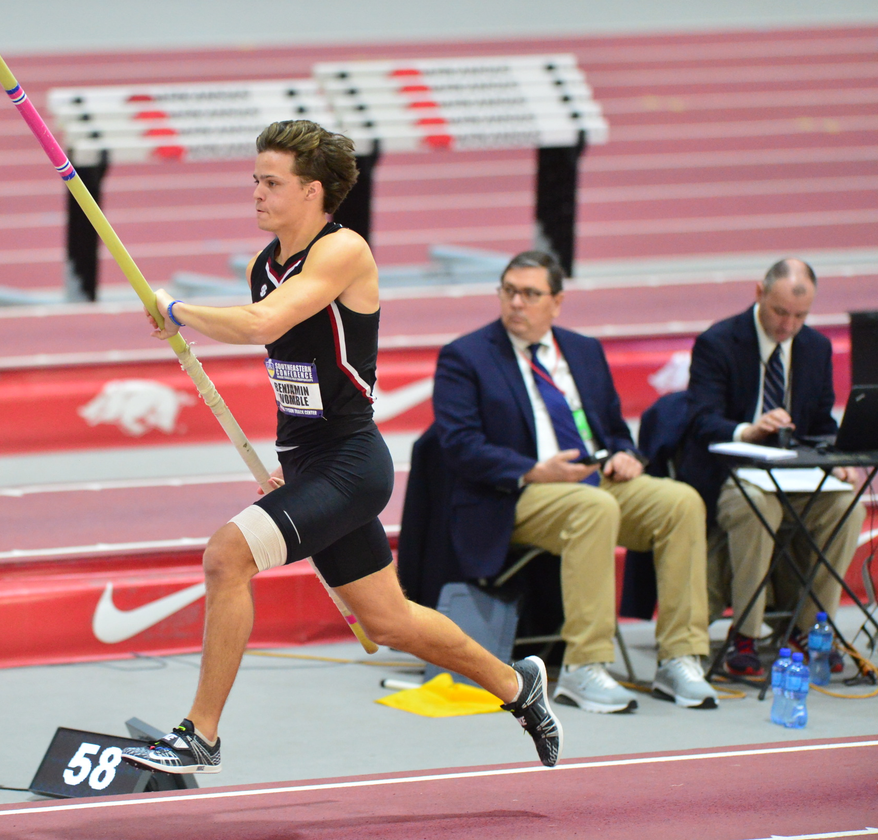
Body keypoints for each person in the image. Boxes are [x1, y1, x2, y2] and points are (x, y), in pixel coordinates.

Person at [119, 120, 563, 774]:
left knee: (226, 557)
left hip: (353, 466)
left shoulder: (343, 251)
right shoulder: (261, 266)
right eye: (255, 180)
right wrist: (289, 463)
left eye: (273, 183)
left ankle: (200, 735)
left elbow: (266, 324)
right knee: (390, 623)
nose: (258, 194)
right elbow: (297, 373)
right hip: (310, 462)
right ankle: (516, 685)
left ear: (313, 191)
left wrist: (177, 309)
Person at [432, 250, 718, 714]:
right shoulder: (466, 356)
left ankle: (680, 656)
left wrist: (626, 454)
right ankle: (585, 666)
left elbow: (615, 428)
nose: (517, 303)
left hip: (594, 477)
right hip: (518, 493)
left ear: (557, 302)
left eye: (530, 294)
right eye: (509, 292)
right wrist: (532, 469)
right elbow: (460, 445)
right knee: (595, 509)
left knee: (681, 501)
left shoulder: (584, 350)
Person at [678, 258, 864, 677]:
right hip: (732, 474)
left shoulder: (815, 347)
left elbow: (820, 425)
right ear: (759, 293)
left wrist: (835, 459)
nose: (788, 326)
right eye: (781, 312)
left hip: (795, 475)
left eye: (800, 316)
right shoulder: (718, 341)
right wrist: (748, 429)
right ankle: (744, 634)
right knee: (760, 507)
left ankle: (808, 631)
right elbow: (700, 420)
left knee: (847, 509)